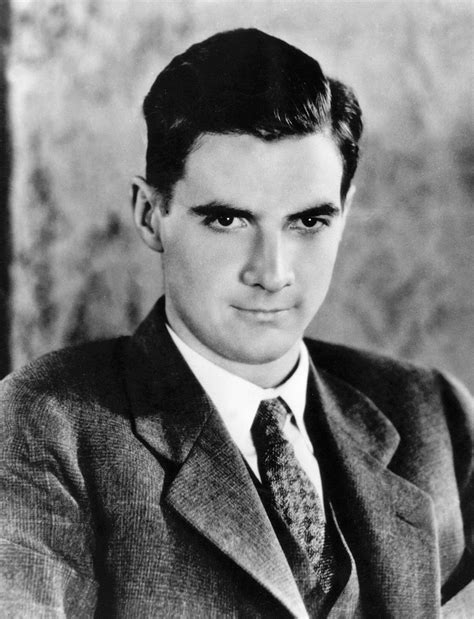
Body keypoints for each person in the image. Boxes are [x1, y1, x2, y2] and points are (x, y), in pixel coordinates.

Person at [1, 28, 472, 618]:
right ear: (150, 215)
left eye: (309, 222)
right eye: (227, 220)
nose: (272, 273)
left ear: (345, 215)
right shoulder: (43, 424)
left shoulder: (432, 414)